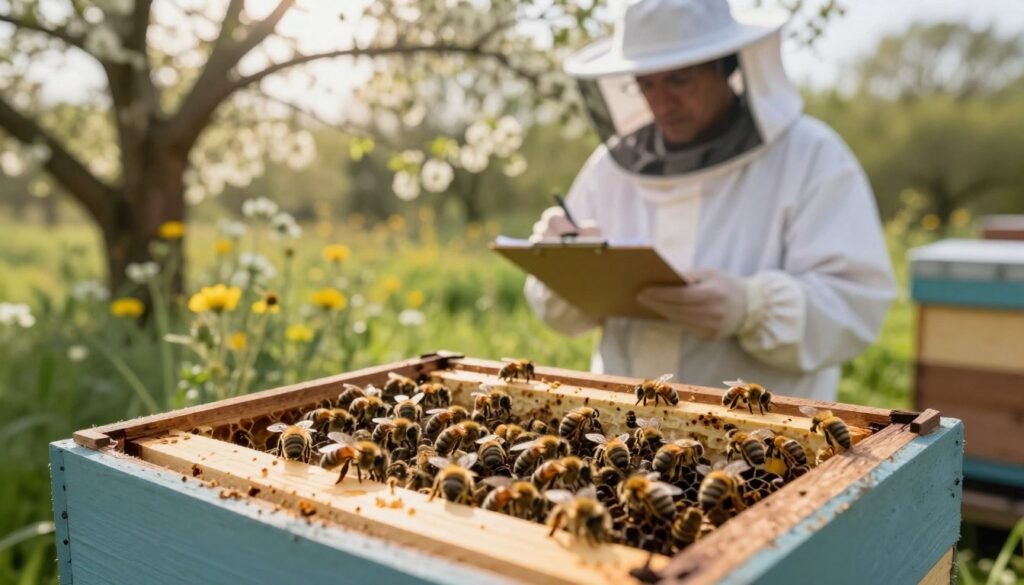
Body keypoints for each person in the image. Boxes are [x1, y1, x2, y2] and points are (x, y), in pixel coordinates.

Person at [524, 0, 896, 401]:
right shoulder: (609, 168)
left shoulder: (811, 156)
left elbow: (857, 305)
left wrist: (752, 307)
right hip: (622, 431)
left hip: (764, 441)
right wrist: (564, 265)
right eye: (646, 84)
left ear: (728, 64)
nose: (661, 102)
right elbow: (558, 314)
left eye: (679, 80)